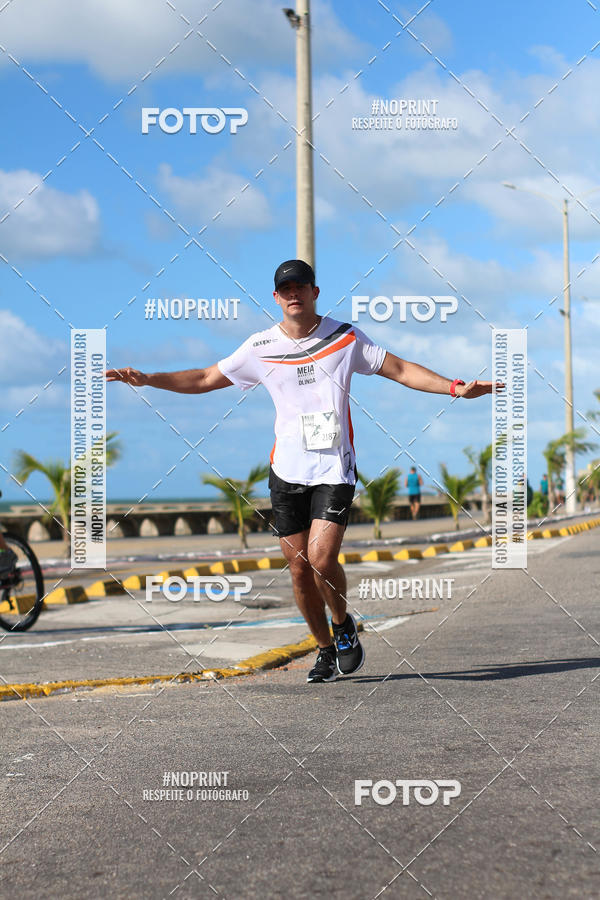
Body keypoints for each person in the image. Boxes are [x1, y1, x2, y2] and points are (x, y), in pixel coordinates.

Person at [107, 259, 499, 684]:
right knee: (297, 567)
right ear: (276, 298)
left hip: (334, 467)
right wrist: (147, 379)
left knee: (320, 558)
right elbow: (204, 378)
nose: (293, 294)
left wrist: (455, 388)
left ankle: (343, 621)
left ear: (315, 292)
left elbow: (400, 369)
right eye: (285, 288)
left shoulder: (345, 338)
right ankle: (326, 649)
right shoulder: (260, 347)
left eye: (301, 286)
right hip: (286, 470)